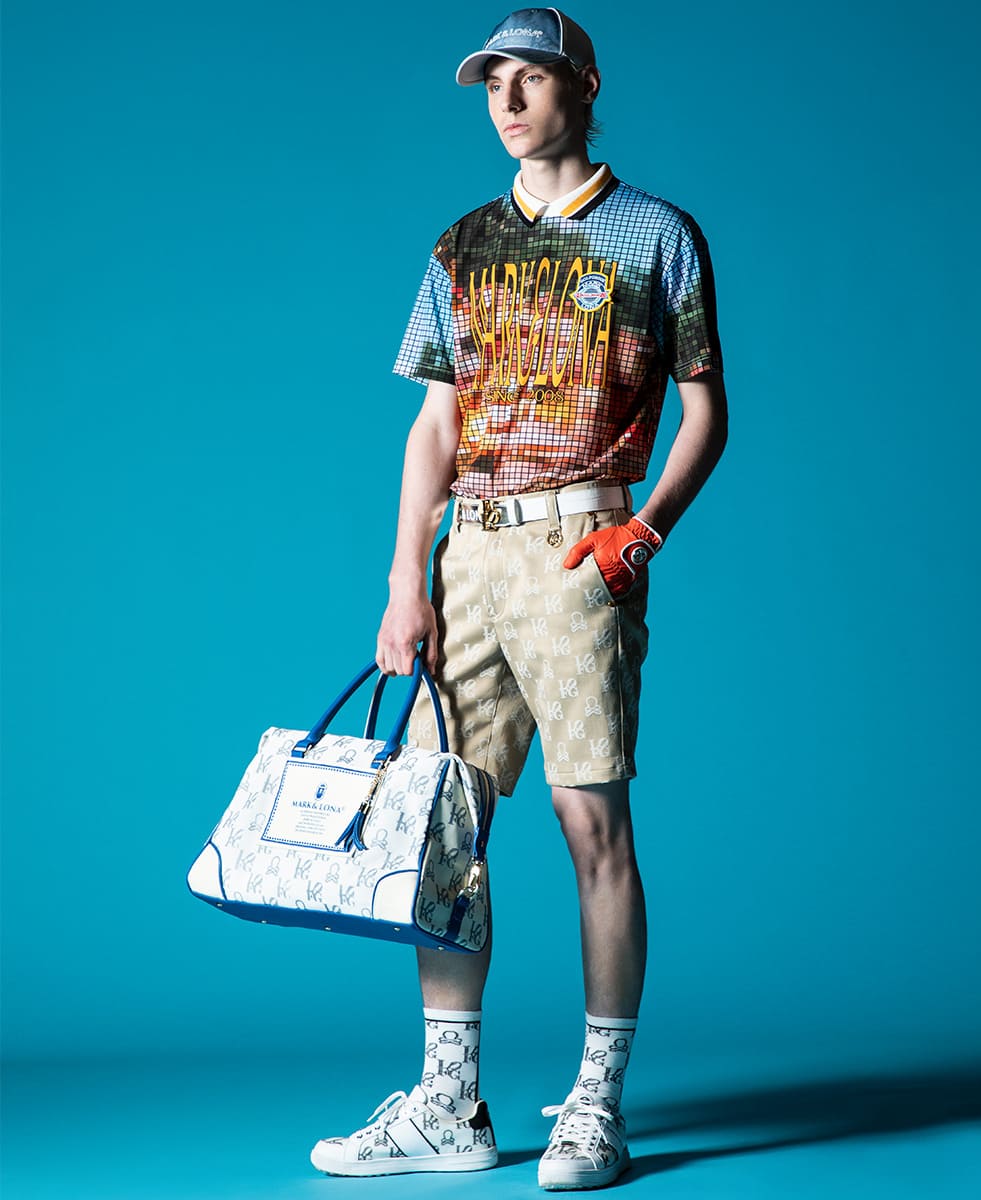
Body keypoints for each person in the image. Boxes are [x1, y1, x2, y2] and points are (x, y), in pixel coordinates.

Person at [310, 7, 727, 1190]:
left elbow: (706, 409)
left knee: (591, 825)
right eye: (492, 79)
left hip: (578, 549)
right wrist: (406, 580)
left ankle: (598, 1103)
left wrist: (641, 531)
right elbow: (434, 425)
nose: (506, 98)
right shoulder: (462, 244)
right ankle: (451, 1103)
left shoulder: (657, 235)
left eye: (530, 76)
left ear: (583, 85)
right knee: (443, 825)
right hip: (471, 560)